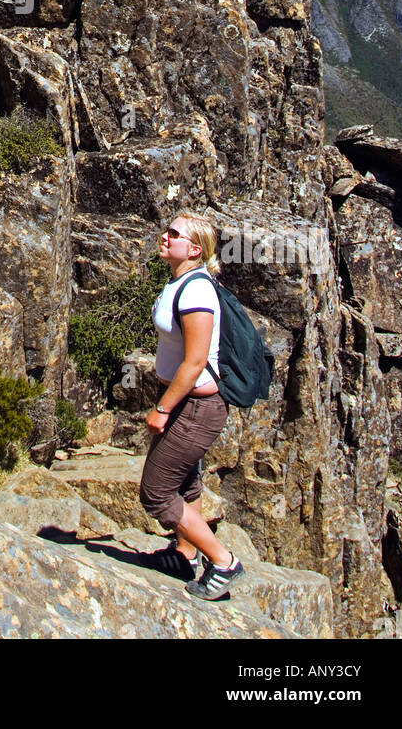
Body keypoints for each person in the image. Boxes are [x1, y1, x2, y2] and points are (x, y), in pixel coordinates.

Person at [138, 211, 245, 600]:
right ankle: (185, 554)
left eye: (174, 233)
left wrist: (163, 409)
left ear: (195, 249)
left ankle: (223, 561)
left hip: (196, 407)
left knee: (156, 491)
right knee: (185, 482)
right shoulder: (178, 282)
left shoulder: (197, 289)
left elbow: (196, 361)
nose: (164, 237)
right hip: (185, 402)